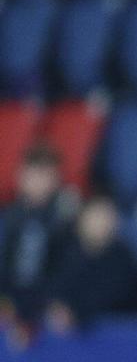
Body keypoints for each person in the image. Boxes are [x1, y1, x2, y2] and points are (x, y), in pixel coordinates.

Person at [39, 196, 137, 333]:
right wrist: (56, 304)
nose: (101, 224)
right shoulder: (67, 252)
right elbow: (55, 284)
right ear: (81, 220)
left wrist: (75, 311)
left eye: (106, 217)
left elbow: (111, 294)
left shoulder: (123, 258)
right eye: (95, 217)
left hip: (129, 330)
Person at [0, 144, 78, 346]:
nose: (39, 182)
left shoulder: (64, 220)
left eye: (46, 175)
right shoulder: (9, 217)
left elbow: (67, 269)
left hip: (47, 305)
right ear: (21, 175)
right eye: (35, 174)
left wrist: (51, 304)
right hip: (13, 302)